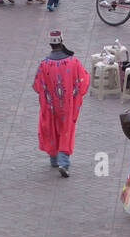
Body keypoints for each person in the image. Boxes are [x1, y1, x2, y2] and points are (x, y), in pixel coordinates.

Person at [32, 29, 90, 176]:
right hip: (68, 105)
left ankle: (54, 159)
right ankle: (64, 162)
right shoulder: (73, 62)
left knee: (50, 128)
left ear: (50, 45)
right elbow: (83, 81)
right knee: (66, 131)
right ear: (62, 42)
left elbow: (38, 86)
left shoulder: (44, 64)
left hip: (50, 106)